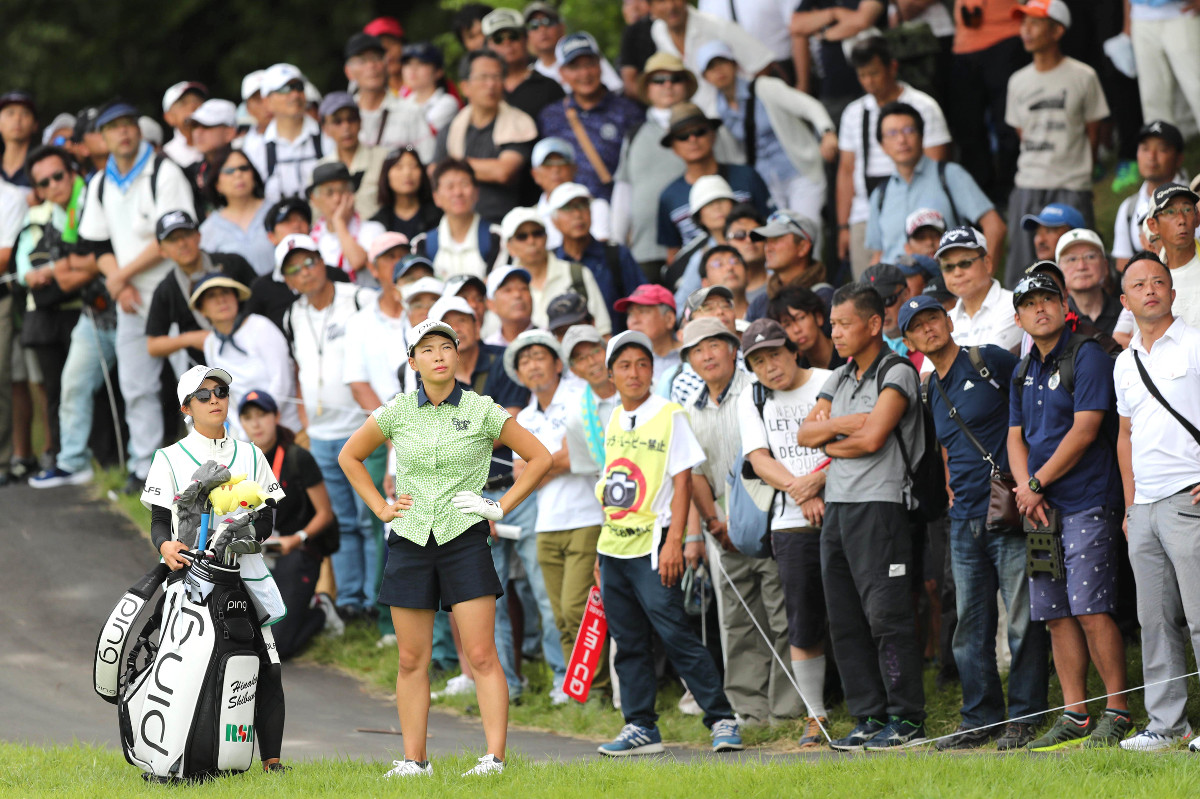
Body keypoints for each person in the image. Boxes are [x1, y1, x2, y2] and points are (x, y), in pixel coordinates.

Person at [340, 317, 551, 777]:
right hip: (411, 539)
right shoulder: (395, 410)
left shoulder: (482, 410)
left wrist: (499, 506)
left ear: (458, 356)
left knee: (480, 655)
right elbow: (349, 456)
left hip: (464, 539)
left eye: (446, 347)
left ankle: (494, 759)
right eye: (427, 349)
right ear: (413, 362)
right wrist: (380, 506)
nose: (438, 355)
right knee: (412, 659)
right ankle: (415, 761)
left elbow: (540, 458)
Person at [899, 294, 1048, 751]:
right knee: (971, 625)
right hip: (962, 518)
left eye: (934, 318)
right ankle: (979, 718)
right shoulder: (927, 388)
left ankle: (1025, 717)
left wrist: (1033, 482)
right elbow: (944, 445)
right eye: (918, 326)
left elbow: (1031, 416)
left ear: (948, 321)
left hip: (1011, 508)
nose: (929, 328)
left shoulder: (990, 360)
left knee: (1022, 619)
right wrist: (946, 483)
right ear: (908, 340)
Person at [594, 328, 743, 756]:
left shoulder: (669, 412)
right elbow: (611, 484)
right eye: (624, 366)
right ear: (611, 376)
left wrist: (675, 540)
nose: (635, 373)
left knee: (675, 631)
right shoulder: (613, 419)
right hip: (615, 545)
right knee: (628, 639)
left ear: (653, 371)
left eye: (642, 364)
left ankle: (721, 718)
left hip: (655, 541)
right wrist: (600, 551)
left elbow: (683, 480)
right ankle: (640, 726)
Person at [796, 283, 928, 750]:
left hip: (882, 505)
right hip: (839, 507)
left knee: (886, 615)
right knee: (845, 617)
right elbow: (805, 434)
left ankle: (907, 718)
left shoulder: (896, 372)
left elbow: (874, 439)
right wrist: (839, 428)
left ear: (874, 325)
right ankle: (868, 715)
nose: (835, 333)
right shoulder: (840, 376)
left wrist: (832, 437)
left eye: (844, 323)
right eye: (832, 324)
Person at [140, 365, 288, 772]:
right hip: (188, 578)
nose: (215, 400)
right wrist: (165, 545)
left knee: (265, 662)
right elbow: (158, 520)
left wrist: (237, 534)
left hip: (244, 575)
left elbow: (268, 517)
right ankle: (182, 753)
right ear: (186, 407)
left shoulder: (251, 453)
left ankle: (271, 762)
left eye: (220, 391)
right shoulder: (169, 457)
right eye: (203, 396)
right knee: (189, 667)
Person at [1006, 272, 1130, 750]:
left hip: (1086, 502)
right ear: (1018, 318)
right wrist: (1025, 490)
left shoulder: (1088, 354)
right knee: (1056, 614)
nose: (1040, 309)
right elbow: (1015, 437)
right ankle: (1075, 714)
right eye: (1029, 304)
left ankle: (1117, 710)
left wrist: (1035, 483)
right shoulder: (1022, 369)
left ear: (1064, 306)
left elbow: (1085, 429)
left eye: (1047, 300)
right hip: (1040, 509)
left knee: (1092, 608)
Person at [681, 317, 803, 729]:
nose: (707, 355)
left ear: (733, 349)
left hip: (772, 517)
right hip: (723, 528)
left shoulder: (754, 392)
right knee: (737, 621)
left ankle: (787, 710)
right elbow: (695, 471)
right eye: (697, 351)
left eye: (715, 345)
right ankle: (750, 710)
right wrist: (714, 524)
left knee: (781, 613)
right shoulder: (691, 407)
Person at [77, 100, 197, 495]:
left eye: (129, 124)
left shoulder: (164, 171)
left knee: (196, 385)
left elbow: (175, 239)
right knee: (136, 386)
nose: (123, 133)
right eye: (114, 128)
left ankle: (206, 466)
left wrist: (120, 277)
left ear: (139, 130)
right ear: (103, 137)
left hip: (176, 290)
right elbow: (96, 244)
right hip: (130, 297)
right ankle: (143, 467)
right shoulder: (99, 181)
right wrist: (120, 281)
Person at [1114, 253, 1200, 752]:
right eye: (1139, 285)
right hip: (1142, 508)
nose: (1150, 290)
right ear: (1125, 302)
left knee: (1199, 614)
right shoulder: (1124, 363)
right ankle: (1169, 727)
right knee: (1155, 620)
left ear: (1171, 292)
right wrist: (1129, 505)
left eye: (1159, 282)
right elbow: (1124, 436)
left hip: (1188, 497)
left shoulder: (1193, 343)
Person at [738, 317, 832, 746]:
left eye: (774, 353)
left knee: (855, 614)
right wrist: (801, 488)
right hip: (790, 521)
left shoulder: (830, 381)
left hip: (842, 509)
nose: (770, 366)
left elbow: (854, 439)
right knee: (802, 620)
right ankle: (817, 714)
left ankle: (875, 707)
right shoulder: (752, 397)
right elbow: (759, 459)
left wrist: (818, 482)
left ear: (793, 349)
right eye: (758, 361)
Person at [277, 234, 380, 621]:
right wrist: (306, 423)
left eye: (309, 261)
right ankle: (351, 601)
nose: (304, 272)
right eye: (293, 268)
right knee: (342, 521)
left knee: (372, 516)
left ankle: (376, 599)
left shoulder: (359, 298)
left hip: (362, 428)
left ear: (323, 261)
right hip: (321, 435)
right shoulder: (292, 315)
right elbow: (299, 369)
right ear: (286, 279)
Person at [505, 330, 599, 705]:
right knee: (556, 612)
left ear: (558, 364)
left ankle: (595, 687)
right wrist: (555, 461)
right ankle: (570, 684)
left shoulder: (580, 397)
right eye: (524, 360)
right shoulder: (524, 415)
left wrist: (540, 465)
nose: (532, 364)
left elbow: (584, 450)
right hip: (547, 521)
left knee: (579, 608)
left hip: (587, 515)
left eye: (539, 356)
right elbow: (516, 473)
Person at [1004, 0, 1109, 287]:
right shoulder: (1017, 81)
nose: (1025, 30)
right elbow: (1021, 132)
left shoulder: (1083, 76)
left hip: (1071, 183)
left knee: (1080, 267)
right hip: (1028, 183)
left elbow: (1093, 130)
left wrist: (1084, 172)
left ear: (1057, 30)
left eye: (1034, 23)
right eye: (1023, 23)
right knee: (1023, 272)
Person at [610, 53, 742, 280]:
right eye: (659, 80)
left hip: (707, 245)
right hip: (646, 248)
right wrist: (616, 243)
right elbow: (623, 191)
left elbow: (736, 177)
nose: (667, 85)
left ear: (687, 85)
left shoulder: (709, 129)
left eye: (676, 78)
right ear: (647, 88)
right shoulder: (634, 134)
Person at [836, 36, 951, 278]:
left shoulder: (924, 106)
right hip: (864, 213)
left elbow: (934, 166)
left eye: (874, 73)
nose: (869, 81)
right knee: (869, 294)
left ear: (893, 67)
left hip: (918, 216)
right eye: (862, 75)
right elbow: (846, 170)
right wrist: (843, 226)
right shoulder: (853, 113)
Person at [240, 389, 339, 656]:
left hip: (297, 550)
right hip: (257, 552)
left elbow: (325, 514)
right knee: (241, 636)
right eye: (248, 418)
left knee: (278, 647)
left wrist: (298, 539)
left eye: (262, 415)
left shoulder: (298, 457)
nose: (256, 423)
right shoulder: (241, 461)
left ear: (276, 417)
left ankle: (320, 610)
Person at [698, 41, 837, 220]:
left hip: (799, 172)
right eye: (711, 67)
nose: (719, 71)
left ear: (734, 64)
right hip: (764, 184)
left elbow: (808, 106)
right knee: (778, 239)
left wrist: (827, 132)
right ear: (705, 76)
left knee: (805, 232)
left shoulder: (765, 87)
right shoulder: (715, 113)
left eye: (722, 62)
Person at [13, 145, 83, 473]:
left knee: (80, 386)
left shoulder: (83, 206)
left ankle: (86, 457)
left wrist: (52, 270)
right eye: (44, 182)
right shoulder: (37, 216)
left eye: (59, 176)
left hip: (80, 308)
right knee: (53, 390)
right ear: (37, 189)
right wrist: (51, 272)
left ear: (71, 172)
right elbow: (26, 269)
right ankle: (57, 453)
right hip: (43, 316)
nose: (53, 184)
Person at [866, 102, 1005, 266]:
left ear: (922, 136)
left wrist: (984, 274)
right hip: (895, 289)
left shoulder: (949, 175)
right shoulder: (880, 195)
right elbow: (878, 255)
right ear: (882, 145)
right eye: (892, 133)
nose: (902, 139)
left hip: (945, 285)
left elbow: (995, 226)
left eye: (909, 130)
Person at [656, 103, 773, 263]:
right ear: (674, 147)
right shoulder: (668, 196)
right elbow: (674, 254)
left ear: (713, 135)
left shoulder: (746, 176)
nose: (692, 139)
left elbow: (769, 226)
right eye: (683, 136)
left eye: (700, 132)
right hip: (701, 279)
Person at [432, 50, 538, 224]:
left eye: (496, 77)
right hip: (457, 223)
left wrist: (453, 165)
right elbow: (434, 173)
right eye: (483, 77)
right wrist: (483, 168)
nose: (491, 84)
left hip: (505, 223)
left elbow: (503, 172)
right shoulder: (451, 129)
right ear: (465, 86)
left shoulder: (520, 123)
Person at [538, 33, 642, 203]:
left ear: (600, 65)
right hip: (567, 211)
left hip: (618, 208)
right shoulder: (550, 116)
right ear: (562, 73)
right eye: (574, 67)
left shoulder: (628, 111)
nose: (584, 73)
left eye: (589, 64)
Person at [144, 209, 257, 366]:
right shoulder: (167, 289)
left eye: (186, 234)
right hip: (208, 371)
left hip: (254, 350)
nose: (182, 243)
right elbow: (153, 345)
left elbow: (263, 303)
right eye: (172, 240)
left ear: (199, 236)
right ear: (162, 250)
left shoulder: (233, 263)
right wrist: (189, 339)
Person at [190, 274, 295, 438]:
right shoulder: (211, 343)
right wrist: (244, 430)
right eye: (211, 296)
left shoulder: (260, 326)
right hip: (247, 433)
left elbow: (282, 379)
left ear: (235, 298)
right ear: (202, 310)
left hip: (285, 427)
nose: (221, 300)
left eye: (225, 292)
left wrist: (264, 420)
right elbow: (225, 394)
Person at [944, 0, 1026, 203]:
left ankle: (1012, 191)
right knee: (968, 129)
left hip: (1006, 37)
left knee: (1008, 123)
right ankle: (980, 197)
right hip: (963, 45)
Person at [648, 0, 773, 115]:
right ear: (650, 7)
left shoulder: (717, 26)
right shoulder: (658, 32)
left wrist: (748, 110)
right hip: (696, 125)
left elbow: (762, 62)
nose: (671, 6)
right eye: (661, 1)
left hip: (733, 121)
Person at [499, 207, 611, 334]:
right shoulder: (499, 285)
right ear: (509, 246)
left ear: (546, 237)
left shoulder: (577, 273)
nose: (531, 241)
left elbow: (603, 331)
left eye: (537, 233)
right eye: (522, 236)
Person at [550, 182, 642, 329]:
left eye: (583, 205)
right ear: (554, 220)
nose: (578, 214)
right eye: (568, 208)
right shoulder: (551, 261)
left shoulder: (616, 254)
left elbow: (640, 302)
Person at [242, 64, 326, 203]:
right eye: (285, 89)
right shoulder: (253, 149)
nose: (294, 95)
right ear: (267, 101)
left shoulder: (328, 138)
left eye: (298, 87)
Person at [1113, 121, 1186, 274]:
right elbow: (1123, 265)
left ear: (1179, 158)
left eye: (1162, 149)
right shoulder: (1128, 207)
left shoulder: (1195, 199)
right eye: (1145, 149)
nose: (1151, 157)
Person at [343, 33, 432, 156]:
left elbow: (422, 149)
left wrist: (406, 149)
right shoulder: (342, 116)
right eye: (362, 61)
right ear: (349, 71)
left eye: (376, 58)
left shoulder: (410, 111)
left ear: (386, 64)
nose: (371, 66)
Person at [412, 159, 502, 279]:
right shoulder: (421, 244)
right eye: (450, 186)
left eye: (464, 184)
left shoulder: (498, 238)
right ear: (436, 197)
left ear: (476, 192)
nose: (458, 192)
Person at [938, 226, 1022, 351]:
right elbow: (928, 371)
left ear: (987, 263)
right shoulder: (944, 320)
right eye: (948, 266)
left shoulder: (1014, 304)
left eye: (965, 263)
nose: (957, 273)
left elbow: (990, 364)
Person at [198, 149, 275, 276]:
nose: (238, 174)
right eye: (229, 171)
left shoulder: (277, 213)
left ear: (253, 175)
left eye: (244, 168)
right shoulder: (207, 230)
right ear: (217, 185)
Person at [482, 8, 565, 122]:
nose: (507, 43)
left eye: (513, 36)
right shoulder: (480, 89)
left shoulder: (549, 87)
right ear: (488, 46)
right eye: (498, 39)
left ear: (525, 39)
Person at [306, 162, 385, 283]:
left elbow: (357, 261)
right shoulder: (311, 239)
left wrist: (339, 223)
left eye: (343, 191)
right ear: (314, 199)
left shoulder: (373, 229)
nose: (337, 199)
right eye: (329, 193)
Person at [747, 210, 831, 321]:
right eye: (767, 241)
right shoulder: (760, 303)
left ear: (803, 247)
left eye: (776, 239)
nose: (768, 248)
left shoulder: (824, 297)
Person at [315, 92, 388, 220]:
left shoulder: (383, 158)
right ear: (325, 128)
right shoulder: (320, 169)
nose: (346, 127)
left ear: (360, 122)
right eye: (337, 122)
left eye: (351, 119)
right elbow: (317, 218)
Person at [525, 3, 626, 94]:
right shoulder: (530, 75)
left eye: (548, 22)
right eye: (534, 25)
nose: (542, 29)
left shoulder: (586, 52)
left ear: (562, 27)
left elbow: (616, 89)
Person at [533, 139, 610, 249]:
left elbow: (601, 252)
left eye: (562, 163)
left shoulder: (596, 206)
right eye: (547, 165)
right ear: (535, 174)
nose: (556, 170)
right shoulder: (531, 216)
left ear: (574, 169)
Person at [1146, 183, 1200, 330]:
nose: (1181, 219)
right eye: (1170, 212)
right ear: (1153, 225)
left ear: (1197, 218)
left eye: (1188, 209)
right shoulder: (1145, 276)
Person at [1055, 228, 1124, 337]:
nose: (1081, 266)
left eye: (1090, 257)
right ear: (1059, 271)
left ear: (1105, 266)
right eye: (1072, 259)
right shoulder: (1056, 321)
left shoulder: (1127, 312)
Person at [767, 285, 845, 370]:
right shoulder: (800, 372)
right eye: (787, 325)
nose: (797, 330)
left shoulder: (848, 352)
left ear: (818, 317)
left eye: (801, 318)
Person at [372, 146, 442, 240]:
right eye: (399, 167)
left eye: (413, 166)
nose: (407, 173)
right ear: (386, 175)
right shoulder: (378, 222)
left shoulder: (439, 216)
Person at [615, 284, 681, 379]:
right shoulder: (623, 365)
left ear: (669, 319)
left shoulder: (695, 355)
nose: (634, 320)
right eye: (630, 314)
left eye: (643, 311)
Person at [399, 43, 460, 138]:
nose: (412, 69)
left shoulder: (447, 103)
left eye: (421, 63)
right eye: (407, 64)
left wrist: (407, 149)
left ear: (439, 72)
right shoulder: (402, 102)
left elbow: (417, 138)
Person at [1018, 202, 1086, 266]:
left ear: (1074, 236)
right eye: (1037, 232)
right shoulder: (1029, 275)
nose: (1040, 240)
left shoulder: (1090, 275)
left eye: (1049, 231)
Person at [160, 81, 207, 168]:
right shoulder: (163, 157)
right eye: (183, 103)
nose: (193, 106)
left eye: (197, 101)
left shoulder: (224, 144)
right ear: (168, 117)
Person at [0, 90, 37, 190]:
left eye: (25, 113)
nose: (17, 119)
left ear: (35, 125)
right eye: (10, 113)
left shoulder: (42, 165)